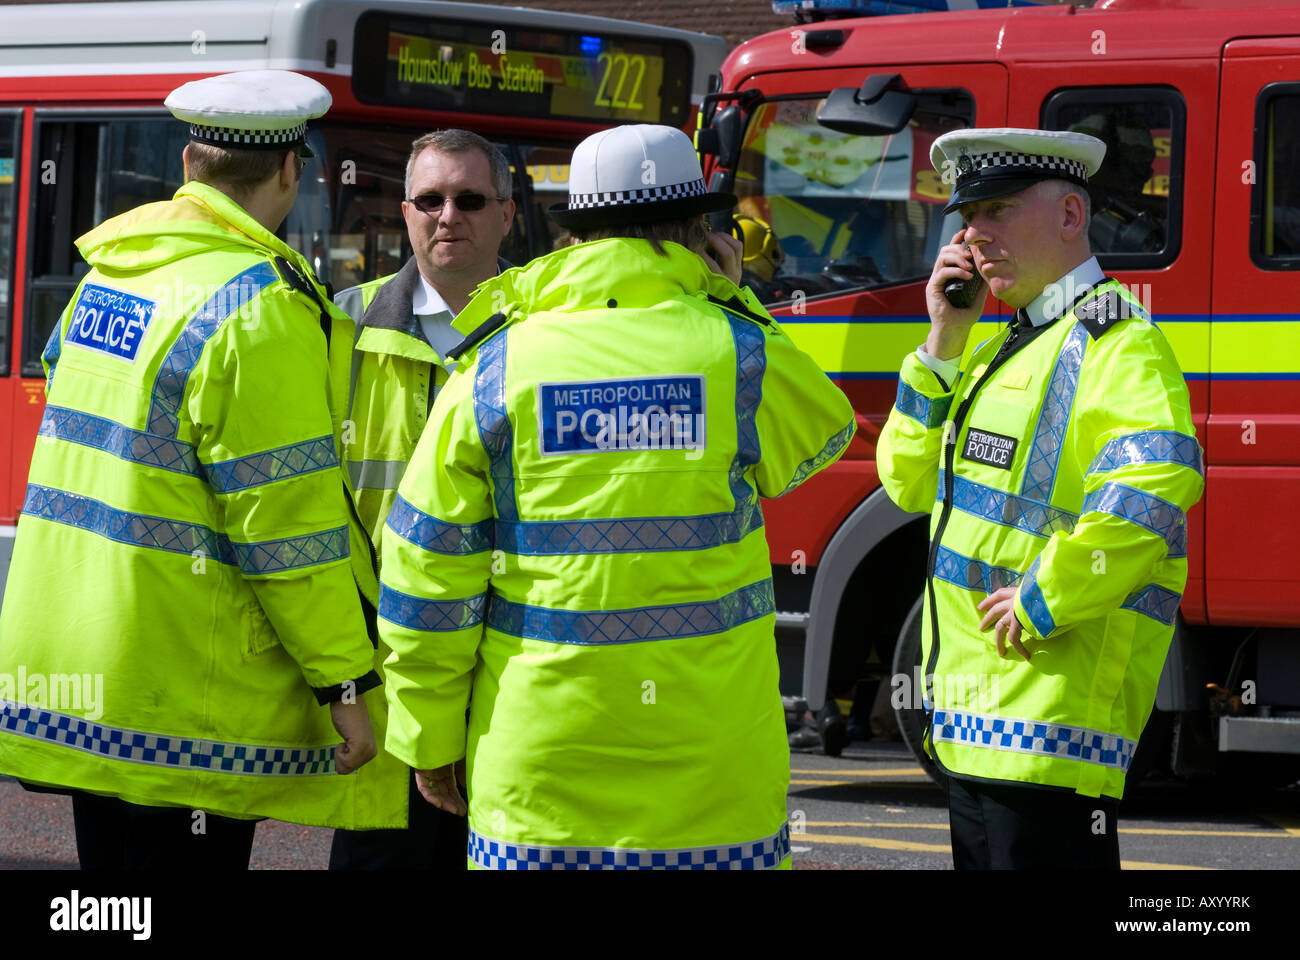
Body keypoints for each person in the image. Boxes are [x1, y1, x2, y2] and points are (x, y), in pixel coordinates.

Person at [378, 123, 856, 869]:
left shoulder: (498, 365)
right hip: (715, 779)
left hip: (540, 778)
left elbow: (424, 573)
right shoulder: (737, 351)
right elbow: (821, 432)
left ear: (572, 234)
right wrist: (733, 295)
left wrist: (429, 736)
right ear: (697, 230)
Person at [0, 70, 400, 870]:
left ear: (188, 162)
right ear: (291, 171)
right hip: (183, 693)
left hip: (81, 667)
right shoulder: (258, 306)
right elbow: (286, 526)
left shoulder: (112, 269)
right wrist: (346, 685)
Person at [876, 127, 1205, 869]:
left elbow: (1152, 490)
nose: (973, 234)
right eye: (967, 216)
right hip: (973, 726)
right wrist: (940, 345)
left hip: (1049, 728)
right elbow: (907, 483)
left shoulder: (1118, 338)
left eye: (996, 211)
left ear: (1068, 216)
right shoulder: (999, 347)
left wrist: (1044, 597)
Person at [328, 129, 515, 870]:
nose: (448, 216)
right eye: (430, 200)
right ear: (404, 213)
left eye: (470, 199)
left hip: (511, 652)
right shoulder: (342, 324)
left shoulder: (555, 330)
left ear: (506, 214)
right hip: (387, 657)